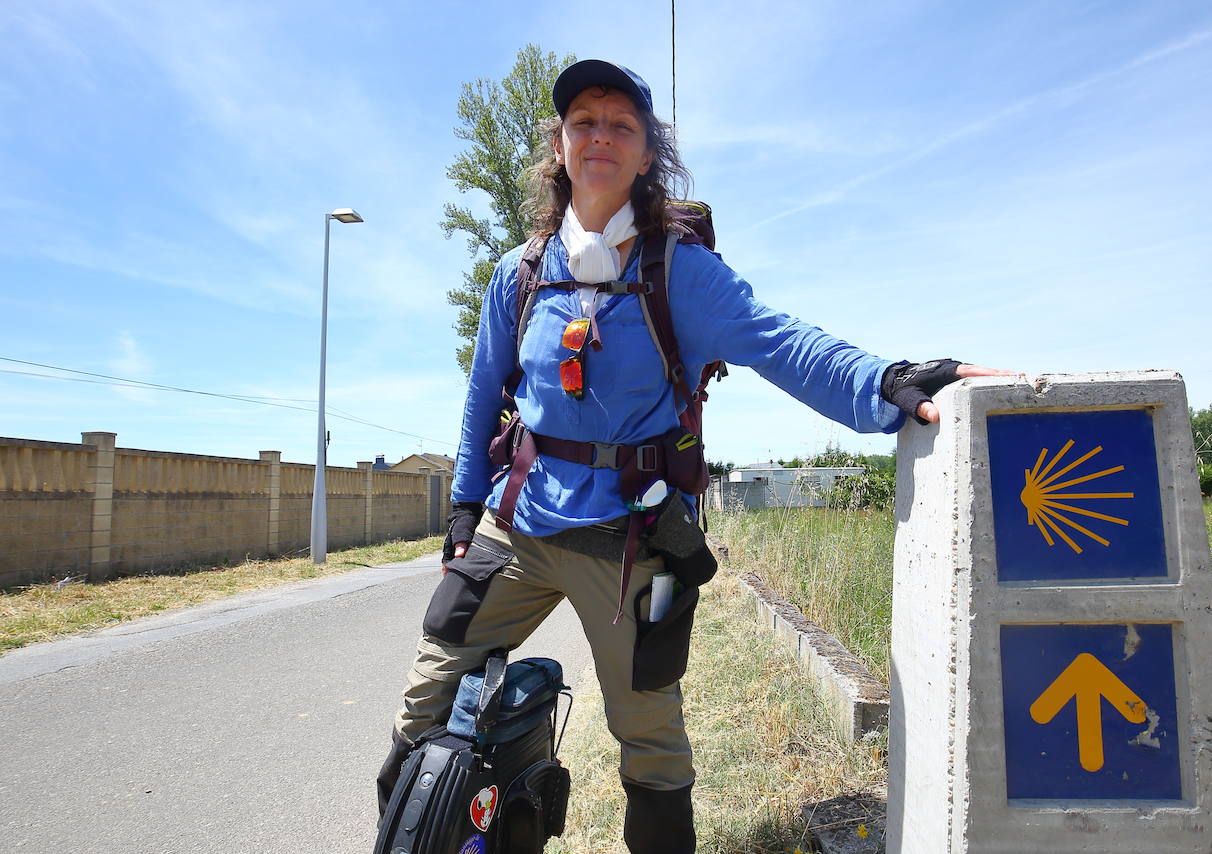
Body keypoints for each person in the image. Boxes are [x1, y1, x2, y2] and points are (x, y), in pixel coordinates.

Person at [377, 58, 1012, 852]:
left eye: (621, 125)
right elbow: (482, 398)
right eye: (583, 122)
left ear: (646, 154)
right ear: (561, 147)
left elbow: (780, 340)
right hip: (521, 532)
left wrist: (884, 381)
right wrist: (467, 508)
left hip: (628, 546)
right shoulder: (519, 273)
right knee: (424, 702)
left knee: (651, 743)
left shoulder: (678, 271)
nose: (599, 135)